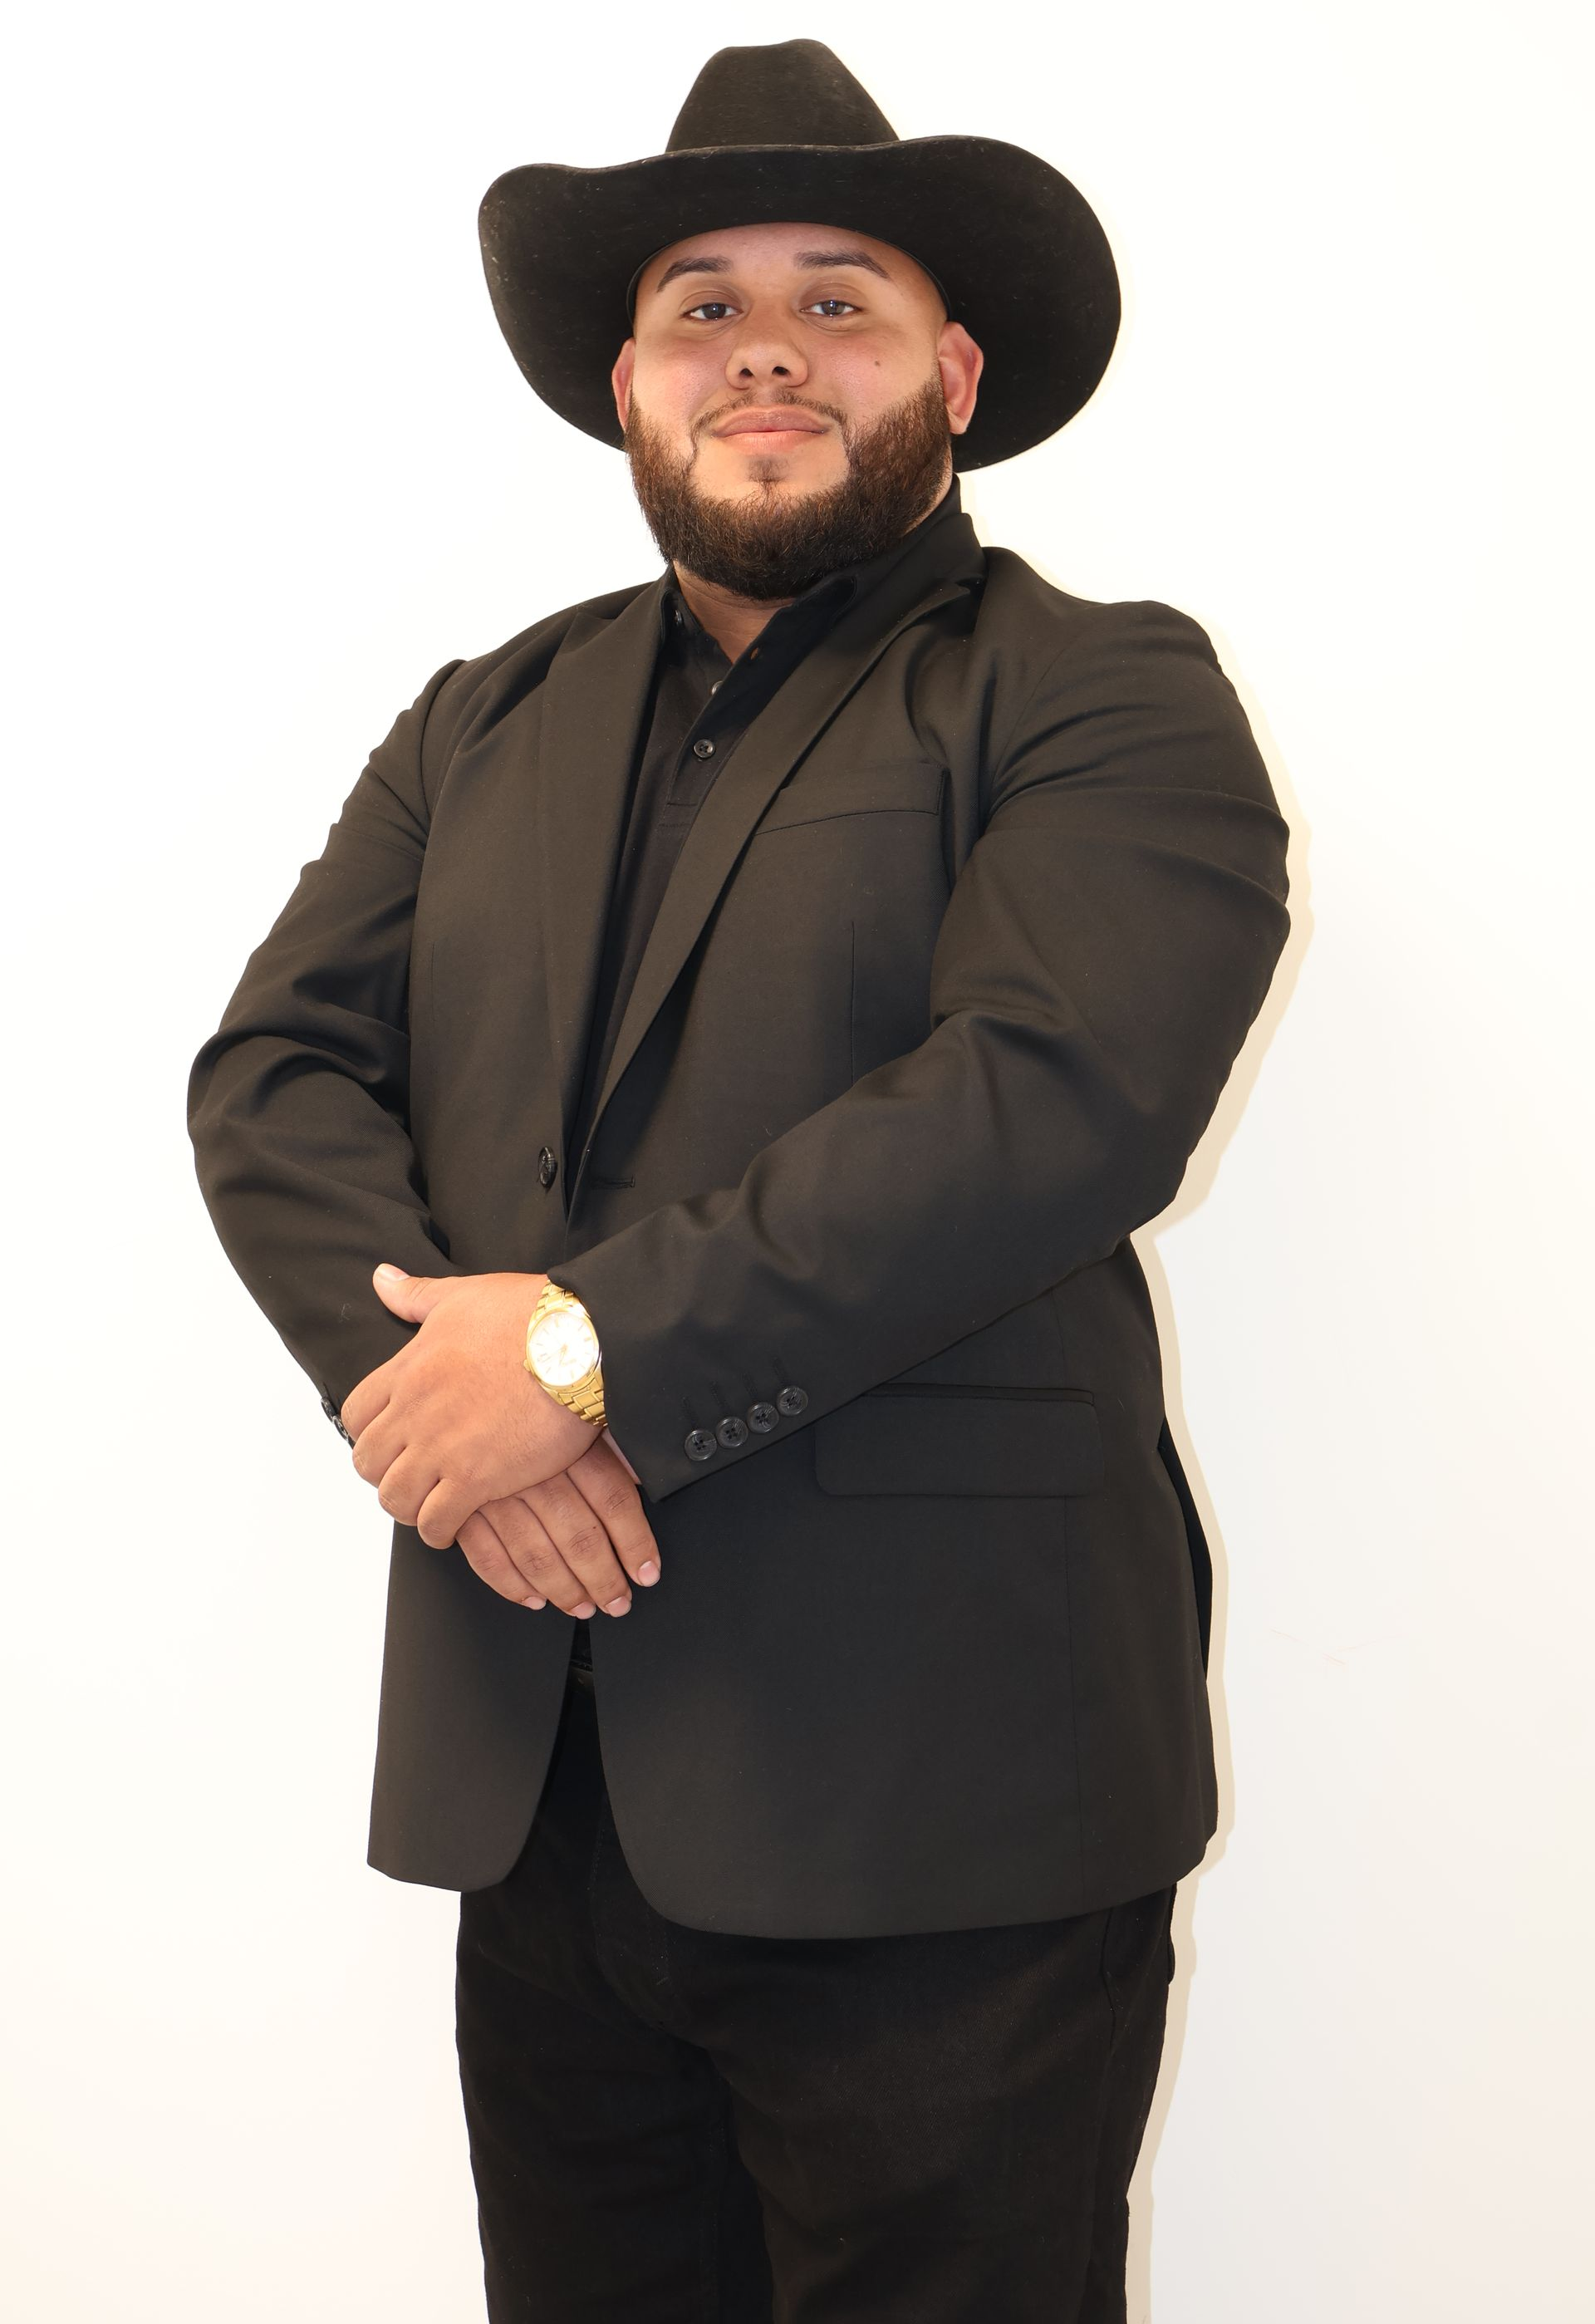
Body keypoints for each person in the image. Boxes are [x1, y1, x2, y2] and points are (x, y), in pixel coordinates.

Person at [187, 37, 1291, 2322]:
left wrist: (573, 1363)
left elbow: (1053, 1097)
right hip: (541, 1775)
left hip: (949, 1791)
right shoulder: (475, 720)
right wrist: (451, 1420)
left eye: (836, 300)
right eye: (705, 305)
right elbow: (277, 1075)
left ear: (954, 376)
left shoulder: (1106, 691)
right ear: (628, 385)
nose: (766, 348)